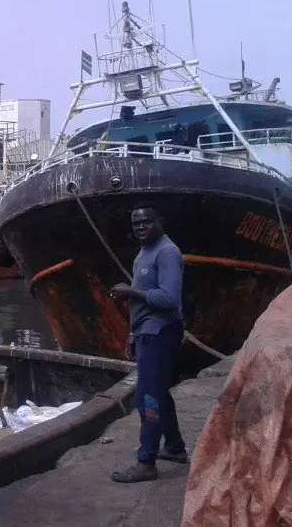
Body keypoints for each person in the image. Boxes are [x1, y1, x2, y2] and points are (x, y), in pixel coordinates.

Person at [109, 201, 188, 483]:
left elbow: (169, 299)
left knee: (148, 398)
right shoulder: (144, 252)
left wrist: (131, 292)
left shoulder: (167, 252)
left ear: (160, 222)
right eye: (136, 223)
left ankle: (146, 462)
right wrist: (133, 332)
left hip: (161, 332)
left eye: (146, 221)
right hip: (146, 331)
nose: (141, 227)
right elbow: (144, 297)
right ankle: (175, 447)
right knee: (159, 392)